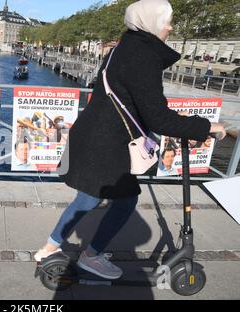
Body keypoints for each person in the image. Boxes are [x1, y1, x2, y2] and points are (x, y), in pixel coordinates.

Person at [34, 0, 226, 280]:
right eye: (167, 20)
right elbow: (158, 118)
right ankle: (88, 255)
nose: (171, 27)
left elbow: (132, 100)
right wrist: (206, 125)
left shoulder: (122, 48)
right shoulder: (143, 55)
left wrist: (176, 117)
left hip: (95, 137)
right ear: (150, 22)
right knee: (118, 200)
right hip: (106, 145)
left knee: (90, 197)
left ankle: (52, 249)